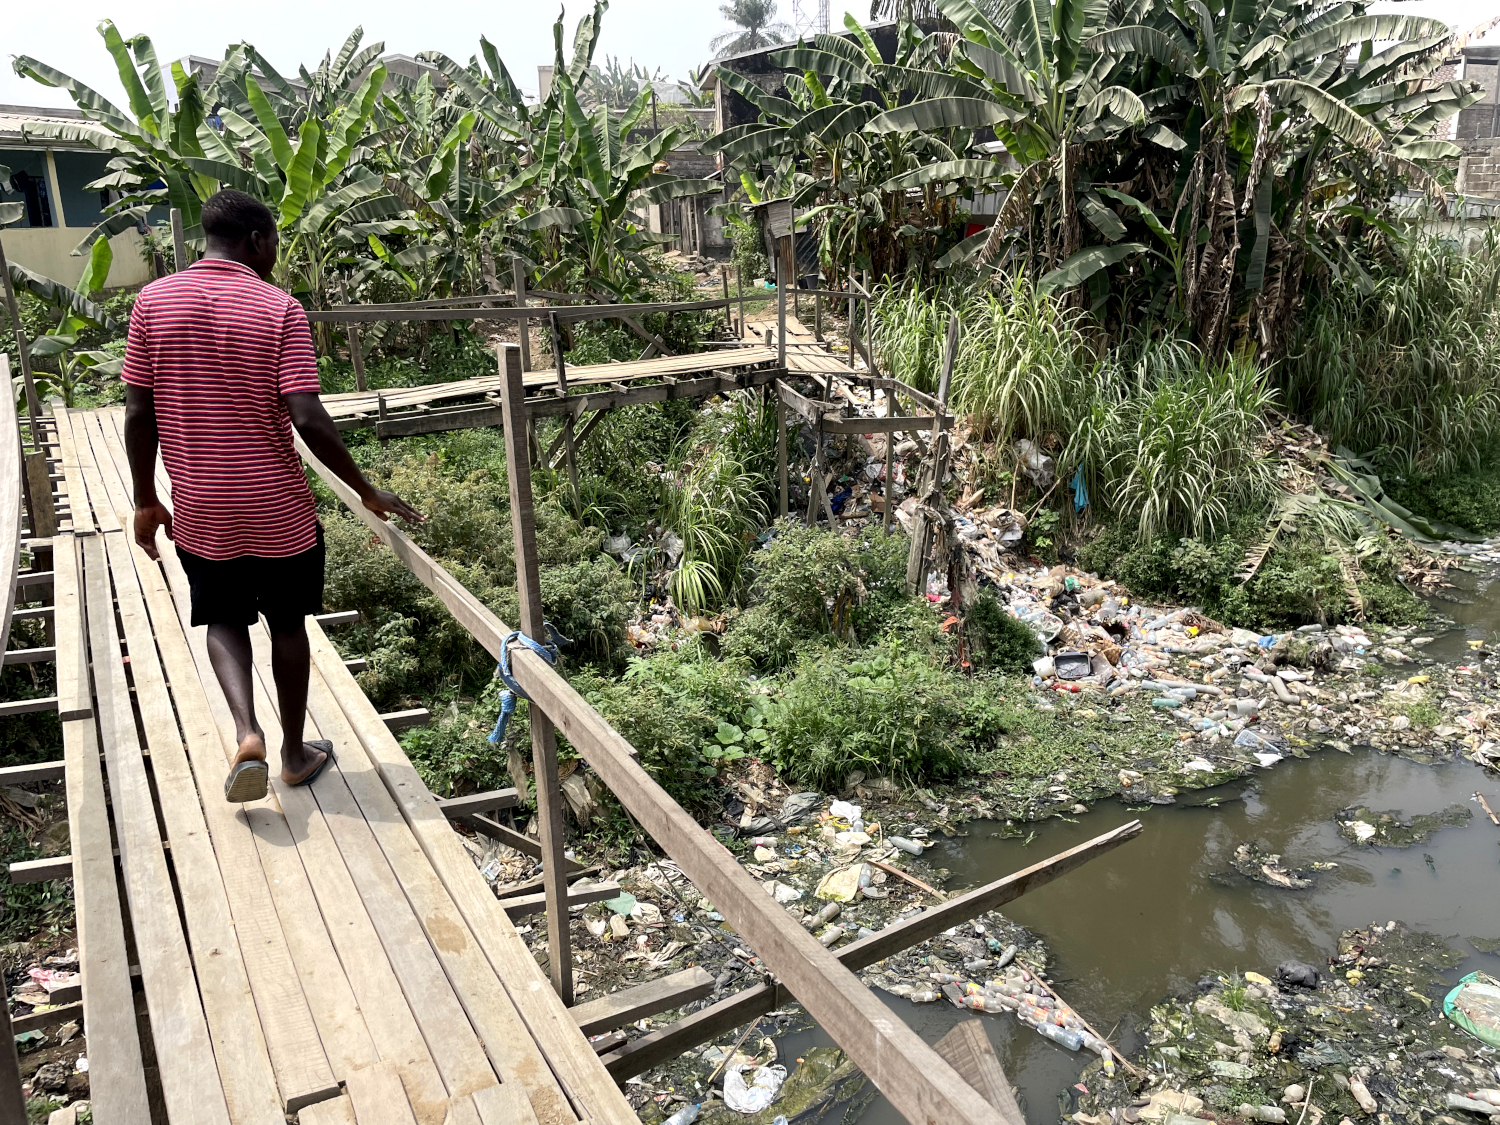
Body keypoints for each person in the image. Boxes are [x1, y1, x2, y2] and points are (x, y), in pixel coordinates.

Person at [123, 189, 421, 803]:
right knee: (287, 622)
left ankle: (245, 733)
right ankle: (292, 753)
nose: (276, 253)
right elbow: (308, 418)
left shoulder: (151, 303)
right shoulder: (278, 308)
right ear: (257, 240)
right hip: (277, 505)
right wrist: (366, 491)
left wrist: (147, 498)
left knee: (222, 616)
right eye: (275, 242)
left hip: (201, 505)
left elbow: (137, 410)